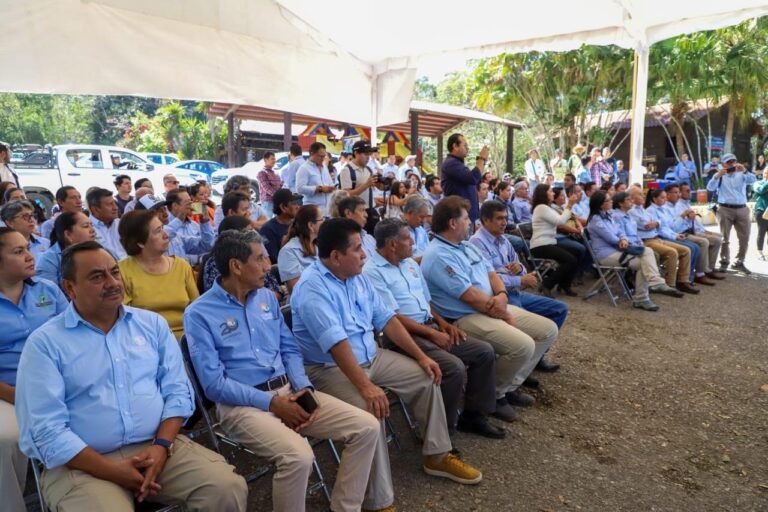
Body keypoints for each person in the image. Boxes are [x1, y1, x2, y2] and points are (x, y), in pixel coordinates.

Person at [15, 241, 247, 512]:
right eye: (97, 276)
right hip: (81, 463)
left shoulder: (151, 325)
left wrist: (161, 446)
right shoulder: (45, 343)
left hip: (158, 446)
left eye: (114, 272)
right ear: (69, 287)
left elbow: (178, 393)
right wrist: (114, 472)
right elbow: (46, 430)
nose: (112, 282)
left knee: (225, 489)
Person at [185, 230, 381, 512]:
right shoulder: (199, 314)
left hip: (290, 392)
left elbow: (289, 349)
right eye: (261, 259)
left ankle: (345, 508)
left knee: (366, 427)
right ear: (236, 266)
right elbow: (214, 384)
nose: (269, 266)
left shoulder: (266, 297)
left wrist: (302, 387)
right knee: (298, 456)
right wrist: (272, 403)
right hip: (242, 406)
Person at [291, 218, 483, 492]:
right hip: (330, 368)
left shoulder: (356, 277)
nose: (364, 254)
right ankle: (379, 500)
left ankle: (437, 456)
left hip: (371, 356)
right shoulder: (312, 288)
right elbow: (338, 345)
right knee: (372, 410)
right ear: (335, 256)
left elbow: (388, 320)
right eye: (357, 249)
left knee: (426, 377)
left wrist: (421, 357)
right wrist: (367, 387)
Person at [422, 196, 559, 421]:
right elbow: (469, 296)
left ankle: (508, 386)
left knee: (547, 330)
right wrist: (502, 311)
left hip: (492, 305)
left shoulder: (465, 246)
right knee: (522, 345)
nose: (470, 223)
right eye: (466, 219)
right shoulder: (438, 255)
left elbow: (491, 273)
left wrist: (503, 295)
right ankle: (495, 396)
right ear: (452, 223)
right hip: (464, 316)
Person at [364, 219, 503, 438]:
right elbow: (393, 317)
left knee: (484, 352)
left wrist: (444, 324)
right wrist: (432, 333)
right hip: (402, 335)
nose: (413, 243)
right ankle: (440, 432)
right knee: (453, 368)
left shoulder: (409, 263)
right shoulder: (372, 272)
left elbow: (427, 302)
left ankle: (474, 416)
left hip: (430, 325)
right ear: (392, 244)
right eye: (407, 238)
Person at [0, 227, 67, 512]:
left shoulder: (48, 290)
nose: (31, 256)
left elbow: (75, 336)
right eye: (19, 251)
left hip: (60, 382)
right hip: (8, 392)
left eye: (28, 248)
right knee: (7, 438)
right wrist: (19, 396)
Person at [469, 200, 567, 372]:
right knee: (525, 322)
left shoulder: (503, 240)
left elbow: (518, 265)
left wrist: (520, 269)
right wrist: (520, 280)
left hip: (513, 292)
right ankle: (519, 368)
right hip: (497, 296)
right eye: (499, 218)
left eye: (505, 218)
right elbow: (487, 278)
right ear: (485, 220)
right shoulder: (476, 243)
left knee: (559, 309)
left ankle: (535, 358)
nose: (504, 222)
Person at [118, 210, 199, 340]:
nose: (166, 235)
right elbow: (124, 319)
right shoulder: (122, 271)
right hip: (146, 340)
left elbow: (197, 309)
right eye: (158, 231)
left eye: (163, 228)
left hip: (186, 339)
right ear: (140, 242)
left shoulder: (182, 266)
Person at [587, 192, 673, 311]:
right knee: (647, 253)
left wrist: (623, 238)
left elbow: (620, 231)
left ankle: (643, 297)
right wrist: (622, 240)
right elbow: (611, 238)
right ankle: (651, 286)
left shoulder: (609, 216)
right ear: (601, 205)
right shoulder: (596, 221)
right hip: (606, 255)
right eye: (608, 201)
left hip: (619, 251)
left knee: (644, 261)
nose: (612, 202)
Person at [627, 187, 693, 291]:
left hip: (656, 237)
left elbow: (659, 222)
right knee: (672, 252)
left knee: (686, 250)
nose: (643, 196)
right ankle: (670, 284)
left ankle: (682, 280)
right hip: (646, 241)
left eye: (642, 194)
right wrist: (656, 223)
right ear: (631, 197)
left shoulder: (642, 209)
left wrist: (657, 223)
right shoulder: (632, 212)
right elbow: (646, 225)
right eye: (639, 194)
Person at [706, 153, 757, 273]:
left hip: (742, 208)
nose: (732, 164)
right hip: (725, 209)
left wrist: (744, 171)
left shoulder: (742, 174)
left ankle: (739, 261)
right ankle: (724, 261)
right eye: (729, 162)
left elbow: (753, 180)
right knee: (724, 237)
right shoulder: (720, 175)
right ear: (723, 164)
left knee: (744, 237)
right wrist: (717, 176)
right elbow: (710, 188)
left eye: (733, 161)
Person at [665, 184, 724, 284]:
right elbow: (674, 227)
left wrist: (698, 226)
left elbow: (691, 222)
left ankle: (708, 268)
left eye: (678, 192)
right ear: (667, 195)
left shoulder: (679, 205)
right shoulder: (670, 207)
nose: (678, 195)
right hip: (680, 233)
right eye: (676, 192)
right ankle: (700, 273)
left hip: (688, 231)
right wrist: (684, 216)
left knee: (717, 239)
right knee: (703, 242)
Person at [529, 184, 581, 297]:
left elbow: (562, 219)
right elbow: (560, 222)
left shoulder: (548, 207)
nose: (553, 193)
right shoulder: (541, 208)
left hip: (549, 242)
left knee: (576, 252)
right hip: (540, 245)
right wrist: (570, 205)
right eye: (550, 191)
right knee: (569, 260)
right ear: (544, 194)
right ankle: (547, 284)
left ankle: (564, 284)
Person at [644, 189, 700, 293]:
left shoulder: (663, 209)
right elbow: (660, 229)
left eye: (665, 197)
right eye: (662, 197)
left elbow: (668, 226)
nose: (665, 200)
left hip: (666, 235)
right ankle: (671, 283)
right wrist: (674, 236)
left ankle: (683, 280)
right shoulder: (650, 211)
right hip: (658, 237)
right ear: (654, 199)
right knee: (676, 251)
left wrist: (676, 235)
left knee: (688, 249)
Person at [440, 133, 489, 227]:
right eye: (465, 145)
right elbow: (473, 178)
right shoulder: (451, 164)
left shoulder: (458, 163)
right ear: (455, 146)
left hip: (467, 216)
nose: (468, 148)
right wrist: (481, 158)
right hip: (459, 217)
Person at [36, 211, 96, 285]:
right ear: (68, 234)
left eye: (92, 225)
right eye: (86, 226)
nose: (92, 230)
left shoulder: (100, 252)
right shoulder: (48, 260)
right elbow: (49, 293)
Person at [277, 204, 322, 292]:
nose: (325, 222)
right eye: (322, 219)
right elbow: (295, 289)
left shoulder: (320, 245)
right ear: (311, 225)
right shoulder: (288, 251)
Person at [164, 188, 214, 266]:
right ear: (175, 206)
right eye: (187, 203)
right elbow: (165, 236)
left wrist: (204, 223)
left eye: (191, 201)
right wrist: (180, 218)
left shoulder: (194, 225)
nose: (191, 205)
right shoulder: (164, 226)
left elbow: (207, 246)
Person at [261, 188, 302, 262]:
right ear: (283, 207)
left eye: (297, 203)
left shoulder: (299, 223)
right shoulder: (268, 230)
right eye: (294, 203)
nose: (298, 207)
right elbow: (273, 259)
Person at [87, 187, 126, 260]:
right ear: (95, 209)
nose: (116, 208)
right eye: (110, 204)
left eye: (115, 203)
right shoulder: (86, 229)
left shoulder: (122, 223)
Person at [296, 142, 335, 216]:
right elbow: (299, 188)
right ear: (312, 153)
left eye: (324, 156)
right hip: (312, 209)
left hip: (327, 210)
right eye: (320, 156)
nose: (322, 159)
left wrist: (332, 188)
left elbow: (330, 183)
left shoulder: (324, 167)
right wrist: (319, 189)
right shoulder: (304, 168)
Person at [340, 140, 376, 207]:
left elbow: (377, 187)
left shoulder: (368, 169)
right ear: (356, 153)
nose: (368, 157)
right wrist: (366, 185)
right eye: (365, 154)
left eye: (369, 154)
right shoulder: (347, 170)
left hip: (370, 208)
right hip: (356, 211)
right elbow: (346, 194)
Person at [402, 194, 430, 261]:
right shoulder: (397, 231)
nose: (424, 221)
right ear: (410, 213)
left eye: (425, 217)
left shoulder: (421, 230)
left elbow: (428, 249)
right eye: (421, 217)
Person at [256, 151, 283, 216]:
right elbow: (267, 188)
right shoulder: (262, 172)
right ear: (266, 160)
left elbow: (280, 185)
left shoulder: (276, 172)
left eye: (274, 159)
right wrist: (278, 196)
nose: (274, 161)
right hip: (267, 203)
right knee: (267, 223)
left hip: (277, 202)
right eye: (272, 159)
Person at [752, 167, 768, 259]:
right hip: (761, 210)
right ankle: (760, 252)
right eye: (767, 173)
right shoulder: (757, 183)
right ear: (763, 173)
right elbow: (761, 190)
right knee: (761, 232)